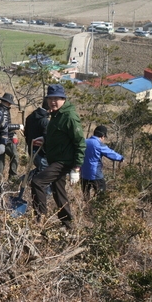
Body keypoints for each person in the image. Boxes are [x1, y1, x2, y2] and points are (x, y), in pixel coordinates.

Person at [30, 84, 85, 230]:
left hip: (64, 161)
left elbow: (80, 142)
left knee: (37, 182)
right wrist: (44, 140)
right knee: (58, 192)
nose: (52, 101)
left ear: (63, 99)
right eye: (50, 98)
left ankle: (40, 217)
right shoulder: (55, 115)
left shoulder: (69, 117)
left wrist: (76, 168)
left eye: (56, 99)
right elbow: (59, 137)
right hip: (55, 159)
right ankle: (68, 225)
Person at [81, 125, 123, 201]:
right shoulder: (98, 144)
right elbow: (111, 153)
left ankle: (86, 210)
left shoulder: (84, 142)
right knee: (101, 196)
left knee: (86, 196)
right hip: (95, 175)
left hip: (83, 174)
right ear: (103, 136)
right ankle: (97, 211)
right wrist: (121, 158)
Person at [0, 93, 23, 180]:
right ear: (6, 102)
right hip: (5, 139)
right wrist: (18, 126)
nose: (10, 104)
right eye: (9, 103)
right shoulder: (4, 111)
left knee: (0, 161)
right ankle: (12, 177)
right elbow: (5, 127)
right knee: (14, 156)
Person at [24, 99, 50, 174]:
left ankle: (22, 181)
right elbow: (47, 139)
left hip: (31, 150)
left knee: (41, 171)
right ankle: (22, 180)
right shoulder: (45, 121)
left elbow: (26, 134)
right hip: (41, 153)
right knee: (45, 173)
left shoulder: (30, 117)